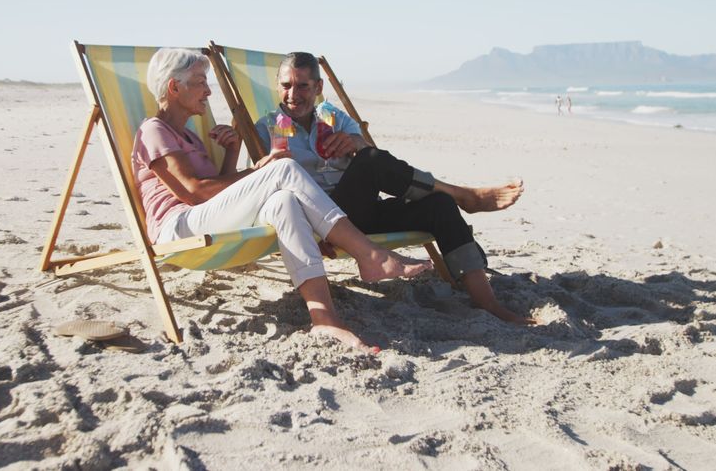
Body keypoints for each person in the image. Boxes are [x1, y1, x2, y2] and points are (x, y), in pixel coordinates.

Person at [132, 48, 432, 352]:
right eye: (200, 82)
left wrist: (233, 152)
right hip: (176, 227)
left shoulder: (190, 138)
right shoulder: (153, 130)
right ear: (174, 87)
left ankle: (324, 319)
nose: (208, 90)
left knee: (285, 201)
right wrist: (257, 170)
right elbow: (193, 191)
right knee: (284, 168)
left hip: (201, 218)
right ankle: (369, 255)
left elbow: (215, 194)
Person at [256, 52, 534, 325]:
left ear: (318, 87)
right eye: (286, 85)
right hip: (318, 223)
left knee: (439, 205)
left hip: (359, 212)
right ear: (277, 86)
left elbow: (383, 167)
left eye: (303, 86)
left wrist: (357, 143)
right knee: (370, 161)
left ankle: (488, 302)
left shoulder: (333, 117)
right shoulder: (267, 128)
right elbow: (265, 189)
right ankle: (462, 194)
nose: (293, 94)